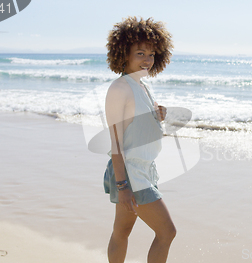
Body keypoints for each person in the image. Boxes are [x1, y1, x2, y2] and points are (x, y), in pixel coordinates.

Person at [103, 16, 175, 263]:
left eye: (152, 54)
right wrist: (123, 187)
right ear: (124, 53)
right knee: (167, 232)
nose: (147, 60)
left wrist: (157, 116)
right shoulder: (119, 89)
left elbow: (137, 125)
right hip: (131, 175)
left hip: (142, 169)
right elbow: (115, 142)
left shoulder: (141, 85)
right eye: (140, 53)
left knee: (121, 232)